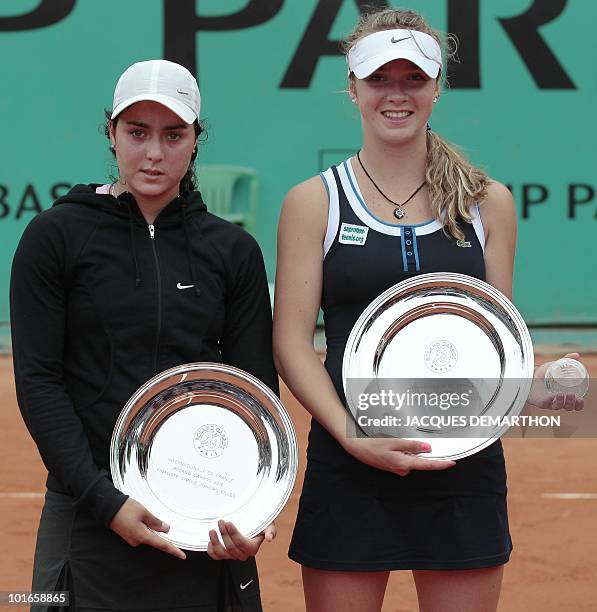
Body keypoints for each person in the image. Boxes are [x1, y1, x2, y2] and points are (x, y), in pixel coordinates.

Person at [273, 8, 582, 612]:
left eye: (413, 79)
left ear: (436, 88)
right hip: (350, 463)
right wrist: (353, 435)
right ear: (353, 88)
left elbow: (496, 344)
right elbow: (291, 343)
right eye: (379, 79)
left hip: (463, 470)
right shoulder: (312, 203)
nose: (397, 94)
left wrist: (539, 384)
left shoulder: (489, 203)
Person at [11, 59, 277, 612]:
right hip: (87, 515)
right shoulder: (55, 237)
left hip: (206, 521)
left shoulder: (233, 252)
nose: (154, 153)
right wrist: (105, 501)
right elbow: (40, 382)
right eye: (137, 133)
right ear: (111, 134)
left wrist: (254, 512)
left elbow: (254, 394)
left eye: (173, 135)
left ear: (195, 141)